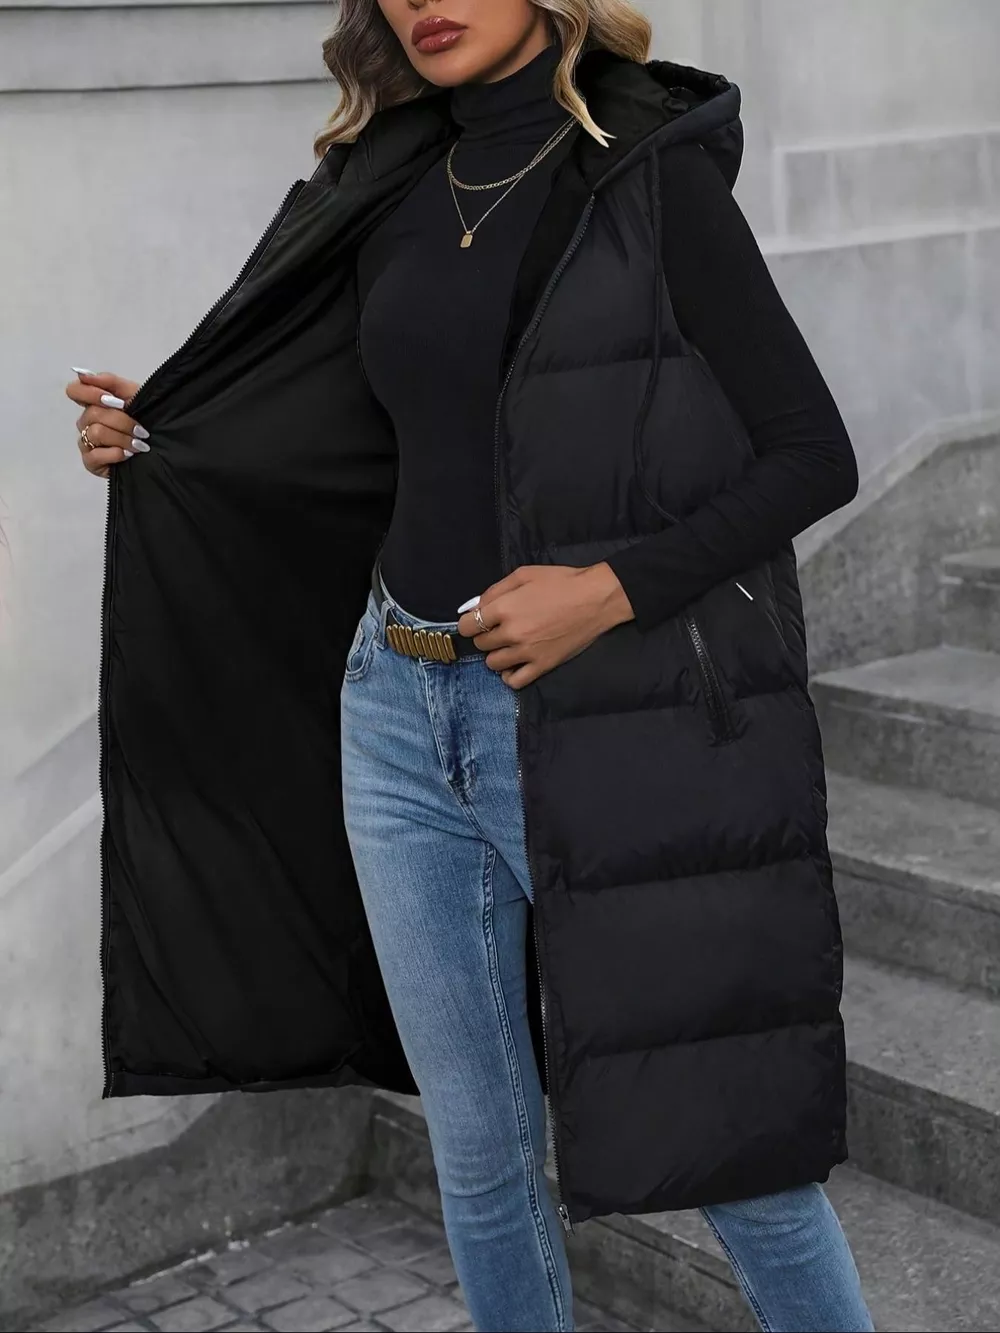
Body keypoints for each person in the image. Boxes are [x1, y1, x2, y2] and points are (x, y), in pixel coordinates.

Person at [66, 3, 874, 1330]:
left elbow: (810, 453)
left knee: (736, 1156)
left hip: (595, 726)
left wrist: (605, 593)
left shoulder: (646, 169)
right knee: (482, 1156)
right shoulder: (385, 178)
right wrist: (162, 438)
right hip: (394, 708)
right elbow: (361, 435)